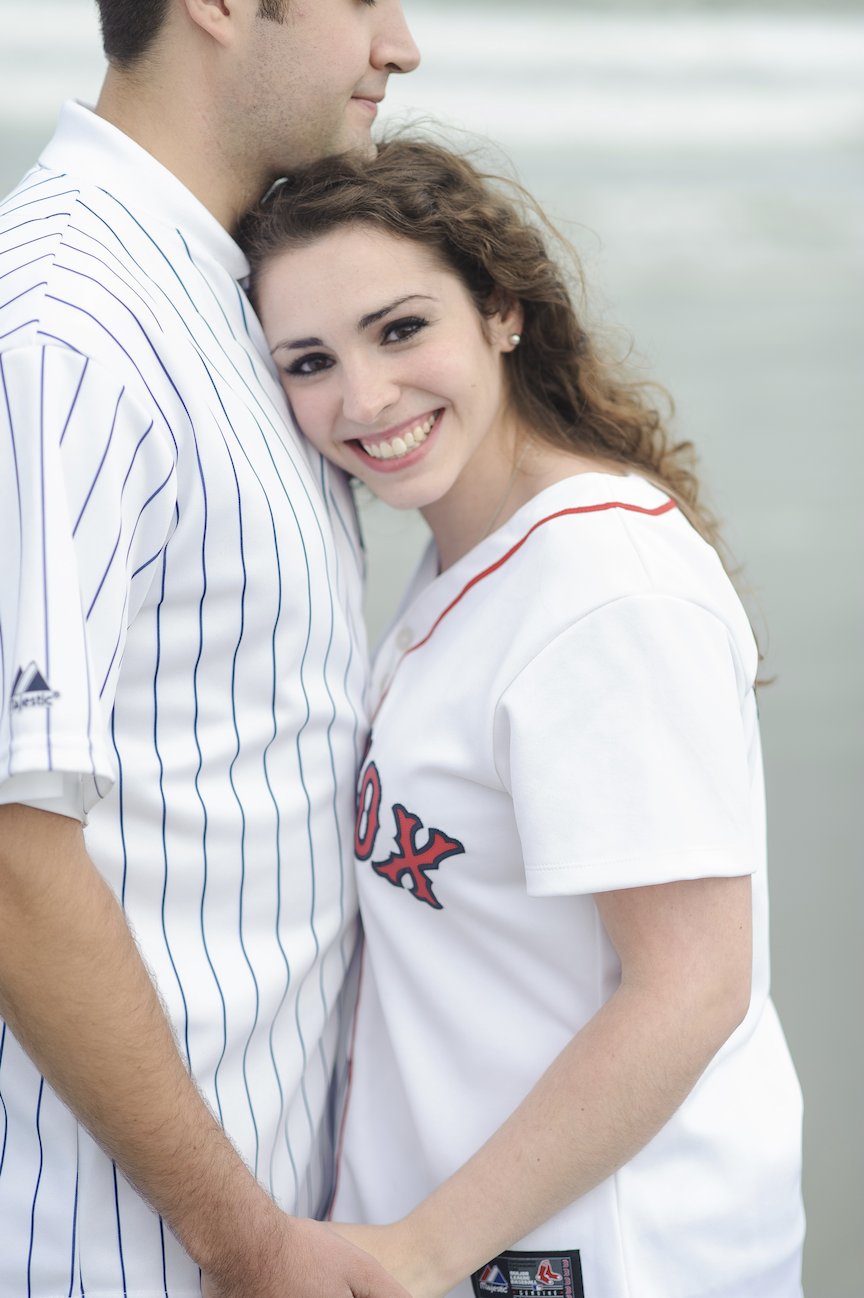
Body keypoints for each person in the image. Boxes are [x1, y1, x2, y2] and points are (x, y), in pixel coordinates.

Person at [239, 138, 806, 1298]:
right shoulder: (468, 551)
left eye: (401, 329)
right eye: (309, 360)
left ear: (502, 311)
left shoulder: (603, 592)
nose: (364, 398)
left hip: (612, 1250)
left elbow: (690, 989)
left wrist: (418, 1250)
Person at [0, 2, 419, 1296]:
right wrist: (246, 1238)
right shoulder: (65, 325)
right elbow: (12, 839)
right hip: (106, 1247)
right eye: (365, 0)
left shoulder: (230, 289)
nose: (402, 45)